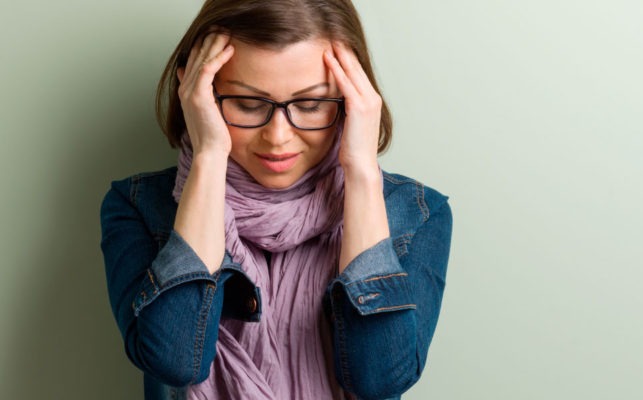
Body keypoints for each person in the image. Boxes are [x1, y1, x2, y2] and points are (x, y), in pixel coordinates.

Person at [99, 1, 453, 399]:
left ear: (354, 101)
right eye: (248, 104)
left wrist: (361, 173)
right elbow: (176, 361)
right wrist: (209, 157)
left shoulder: (417, 215)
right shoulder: (138, 208)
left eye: (311, 104)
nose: (278, 136)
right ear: (197, 94)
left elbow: (380, 379)